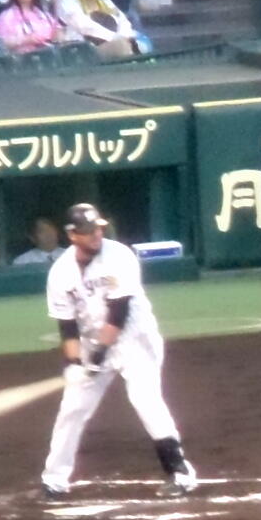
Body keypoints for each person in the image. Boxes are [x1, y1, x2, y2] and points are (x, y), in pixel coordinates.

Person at [40, 203, 198, 500]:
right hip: (91, 341)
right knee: (72, 408)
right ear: (73, 235)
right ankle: (54, 479)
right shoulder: (60, 273)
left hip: (134, 338)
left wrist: (99, 354)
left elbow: (119, 313)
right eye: (88, 231)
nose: (96, 234)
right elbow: (67, 326)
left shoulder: (120, 256)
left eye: (98, 228)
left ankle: (180, 473)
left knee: (145, 399)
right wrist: (73, 362)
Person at [57, 0, 138, 60]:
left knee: (138, 44)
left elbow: (123, 21)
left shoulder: (105, 1)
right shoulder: (68, 0)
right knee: (121, 46)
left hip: (112, 42)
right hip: (83, 49)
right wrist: (114, 37)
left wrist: (124, 35)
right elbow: (83, 26)